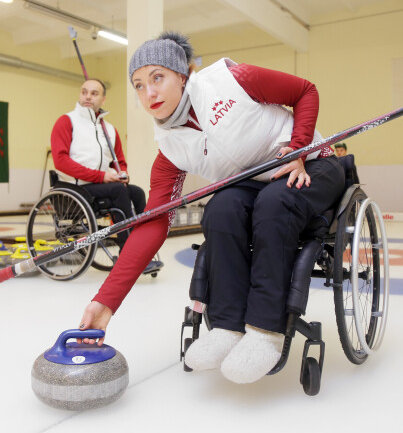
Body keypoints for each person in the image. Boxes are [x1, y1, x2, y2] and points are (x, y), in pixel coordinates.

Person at [78, 32, 345, 384]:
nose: (149, 93)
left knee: (274, 203)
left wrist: (298, 149)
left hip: (309, 165)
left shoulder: (233, 80)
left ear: (182, 75)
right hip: (255, 183)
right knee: (220, 210)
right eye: (139, 85)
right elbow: (151, 226)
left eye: (158, 78)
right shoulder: (170, 151)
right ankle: (227, 326)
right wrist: (106, 301)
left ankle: (266, 332)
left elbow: (304, 91)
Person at [51, 78, 150, 256]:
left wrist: (123, 173)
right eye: (84, 92)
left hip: (102, 185)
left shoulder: (110, 129)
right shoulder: (66, 121)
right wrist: (100, 176)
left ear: (103, 99)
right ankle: (129, 254)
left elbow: (119, 161)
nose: (88, 96)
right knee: (118, 191)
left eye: (94, 93)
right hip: (75, 187)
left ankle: (144, 244)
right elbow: (60, 161)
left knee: (137, 192)